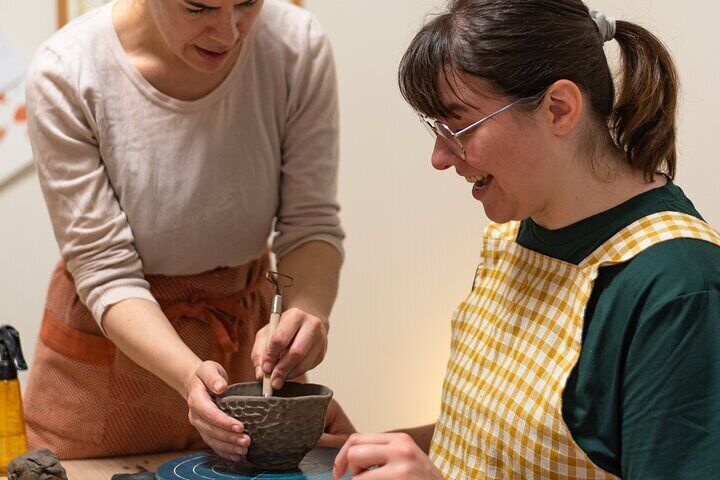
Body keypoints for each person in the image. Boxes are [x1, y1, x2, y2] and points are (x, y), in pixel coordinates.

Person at [323, 1, 720, 478]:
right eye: (436, 128)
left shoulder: (677, 290)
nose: (440, 157)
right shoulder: (515, 232)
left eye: (458, 127)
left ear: (558, 109)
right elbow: (501, 439)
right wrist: (373, 447)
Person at [23, 0, 344, 462]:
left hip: (239, 338)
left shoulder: (296, 46)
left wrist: (310, 312)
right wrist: (186, 373)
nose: (229, 33)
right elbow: (104, 268)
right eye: (198, 9)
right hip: (109, 353)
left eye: (247, 4)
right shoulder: (68, 72)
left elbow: (310, 221)